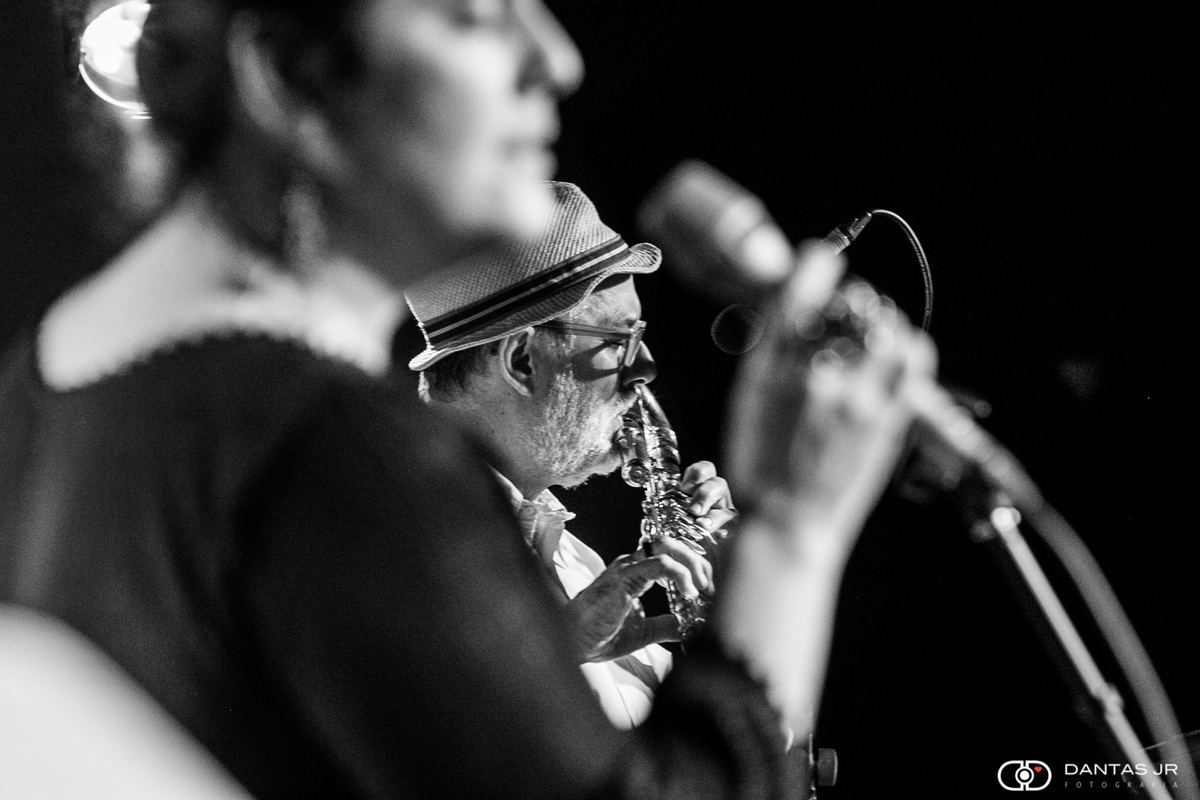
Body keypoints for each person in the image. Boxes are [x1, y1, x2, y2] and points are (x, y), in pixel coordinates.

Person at [0, 1, 936, 799]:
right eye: (477, 14)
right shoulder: (331, 447)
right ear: (287, 73)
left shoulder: (51, 383)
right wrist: (788, 532)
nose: (556, 60)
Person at [407, 181, 735, 730]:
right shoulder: (383, 529)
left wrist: (735, 624)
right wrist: (552, 655)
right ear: (522, 361)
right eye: (618, 340)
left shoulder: (585, 573)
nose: (646, 367)